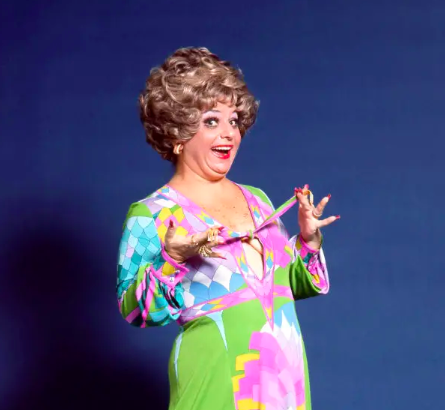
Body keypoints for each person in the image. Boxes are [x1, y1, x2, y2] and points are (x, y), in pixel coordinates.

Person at [116, 47, 340, 410]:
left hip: (283, 384)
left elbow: (285, 287)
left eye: (233, 120)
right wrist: (171, 259)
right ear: (177, 131)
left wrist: (309, 240)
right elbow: (136, 312)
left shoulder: (258, 200)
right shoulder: (150, 214)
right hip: (215, 385)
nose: (228, 134)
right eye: (211, 121)